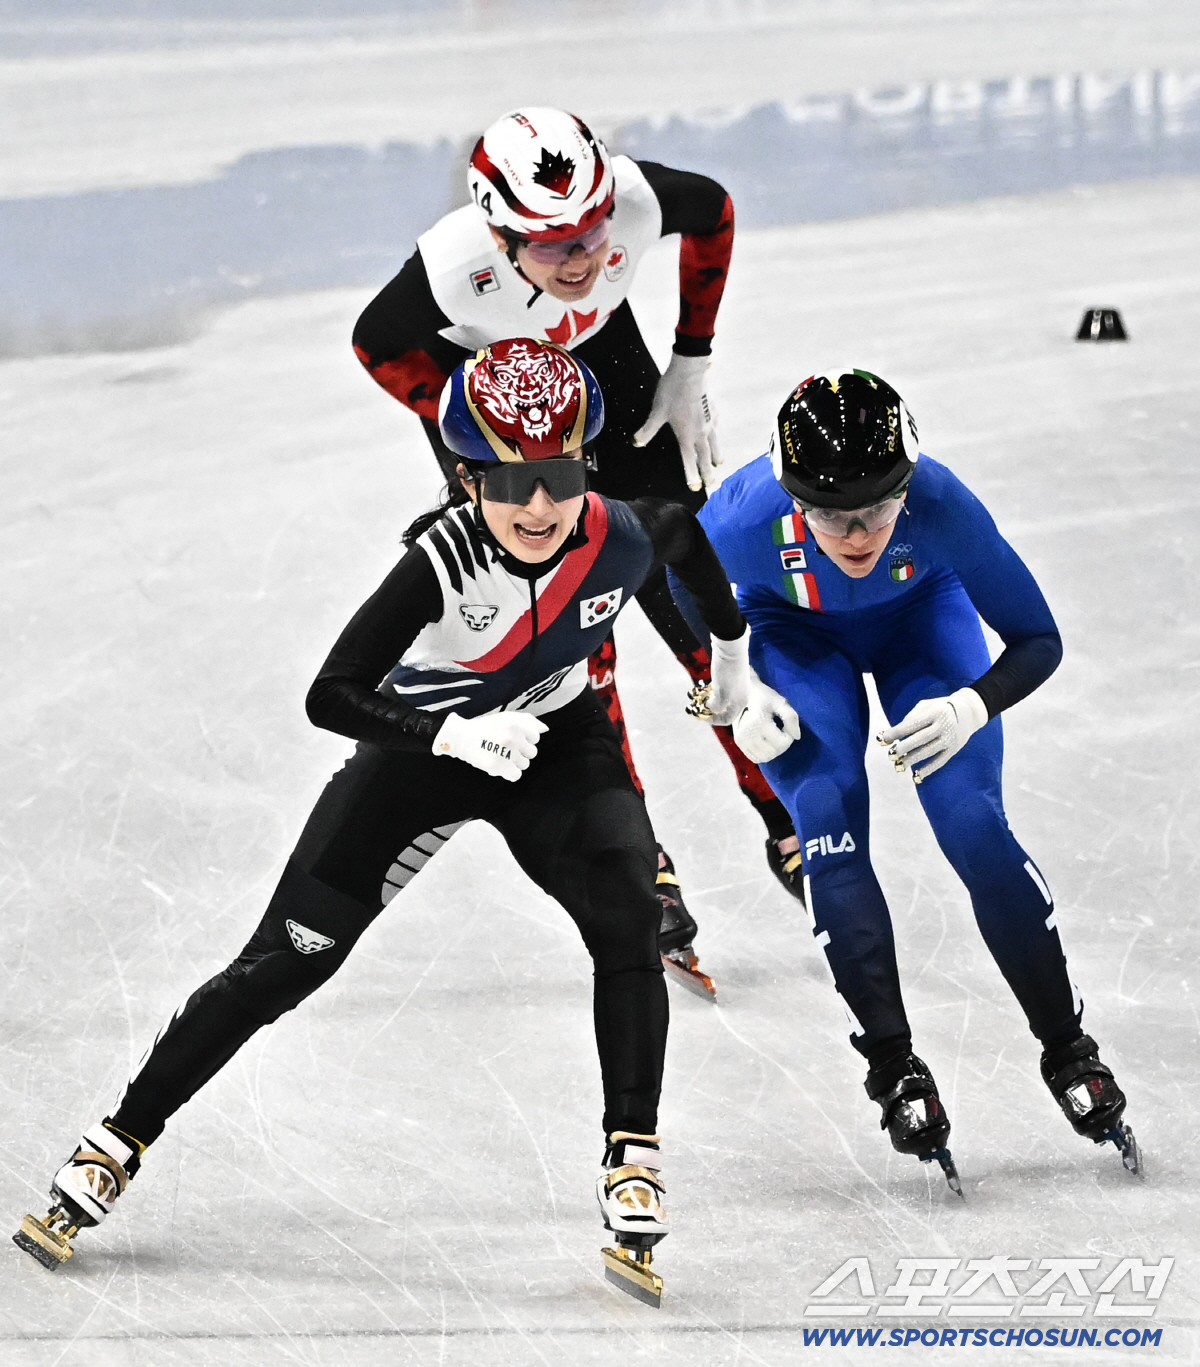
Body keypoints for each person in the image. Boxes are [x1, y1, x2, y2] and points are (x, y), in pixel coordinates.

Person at [14, 339, 794, 1306]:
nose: (539, 507)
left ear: (583, 463)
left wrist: (729, 668)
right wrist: (448, 736)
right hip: (421, 754)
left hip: (557, 747)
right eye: (511, 483)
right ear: (468, 477)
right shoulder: (439, 563)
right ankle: (120, 1137)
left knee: (630, 917)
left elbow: (687, 545)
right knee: (286, 962)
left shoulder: (625, 532)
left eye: (555, 476)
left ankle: (631, 1150)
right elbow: (330, 694)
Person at [351, 106, 806, 954]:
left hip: (619, 388)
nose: (587, 257)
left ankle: (781, 809)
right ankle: (642, 859)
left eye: (593, 232)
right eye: (555, 246)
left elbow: (715, 212)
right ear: (498, 231)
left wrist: (691, 358)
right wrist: (470, 430)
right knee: (579, 660)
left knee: (695, 619)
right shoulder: (453, 268)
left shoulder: (632, 199)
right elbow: (377, 345)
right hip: (517, 440)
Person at [682, 368, 1139, 1189]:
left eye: (878, 509)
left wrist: (972, 703)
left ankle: (1068, 1045)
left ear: (908, 485)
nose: (857, 535)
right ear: (793, 499)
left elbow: (1038, 639)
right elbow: (683, 587)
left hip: (920, 623)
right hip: (793, 632)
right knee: (825, 818)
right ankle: (893, 1064)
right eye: (829, 515)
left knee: (974, 825)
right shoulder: (746, 515)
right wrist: (736, 685)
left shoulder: (941, 506)